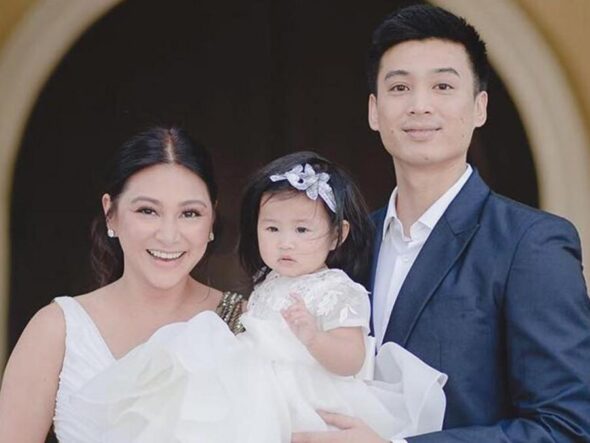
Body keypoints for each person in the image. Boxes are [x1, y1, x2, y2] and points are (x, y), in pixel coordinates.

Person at [292, 4, 590, 443]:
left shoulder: (531, 244)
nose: (420, 105)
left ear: (479, 107)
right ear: (374, 111)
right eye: (399, 87)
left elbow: (566, 427)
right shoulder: (348, 246)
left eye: (443, 86)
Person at [71, 151, 447, 442]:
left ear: (338, 235)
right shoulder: (267, 283)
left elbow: (353, 359)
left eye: (302, 230)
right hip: (254, 394)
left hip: (307, 400)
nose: (285, 243)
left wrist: (314, 337)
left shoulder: (336, 289)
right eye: (272, 229)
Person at [0, 126, 244, 442]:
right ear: (110, 213)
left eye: (190, 213)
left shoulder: (246, 324)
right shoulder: (58, 329)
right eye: (147, 210)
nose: (168, 235)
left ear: (212, 218)